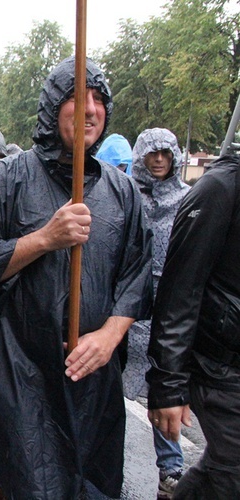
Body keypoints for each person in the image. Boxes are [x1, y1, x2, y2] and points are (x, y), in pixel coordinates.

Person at [0, 57, 152, 499]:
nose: (89, 109)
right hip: (20, 374)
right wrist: (44, 239)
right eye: (76, 98)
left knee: (92, 485)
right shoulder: (3, 182)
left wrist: (108, 337)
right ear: (51, 108)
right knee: (35, 484)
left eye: (98, 99)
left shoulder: (122, 193)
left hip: (92, 378)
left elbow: (137, 276)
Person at [147, 152, 240, 498]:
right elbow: (179, 291)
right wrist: (169, 385)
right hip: (220, 369)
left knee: (224, 471)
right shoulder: (221, 188)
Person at [120, 128, 189, 498]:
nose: (159, 160)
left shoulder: (189, 199)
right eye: (152, 153)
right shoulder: (126, 195)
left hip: (170, 310)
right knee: (109, 393)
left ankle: (171, 467)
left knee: (167, 391)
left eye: (166, 153)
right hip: (127, 309)